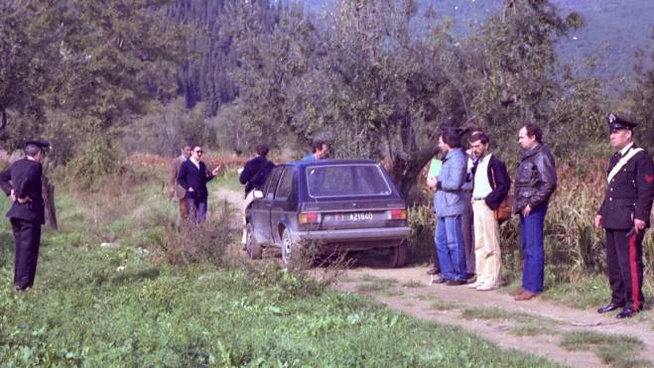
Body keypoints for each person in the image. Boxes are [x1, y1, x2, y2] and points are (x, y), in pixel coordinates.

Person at [594, 113, 654, 318]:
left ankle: (634, 302)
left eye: (616, 132)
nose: (612, 135)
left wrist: (641, 217)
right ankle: (617, 299)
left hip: (629, 219)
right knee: (614, 263)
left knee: (629, 262)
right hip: (612, 217)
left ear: (628, 134)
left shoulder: (641, 157)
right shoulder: (615, 158)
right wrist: (601, 212)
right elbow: (611, 190)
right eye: (611, 132)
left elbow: (646, 190)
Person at [511, 123, 557, 301]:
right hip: (525, 207)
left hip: (533, 208)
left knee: (534, 247)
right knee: (527, 246)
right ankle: (526, 285)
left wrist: (532, 203)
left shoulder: (542, 155)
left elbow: (549, 183)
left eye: (522, 137)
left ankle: (533, 287)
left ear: (533, 137)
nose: (519, 140)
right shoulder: (529, 155)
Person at [0, 140, 50, 291]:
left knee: (21, 250)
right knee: (29, 250)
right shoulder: (36, 166)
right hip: (29, 214)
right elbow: (28, 179)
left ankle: (18, 283)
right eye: (43, 154)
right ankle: (23, 286)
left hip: (16, 214)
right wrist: (20, 194)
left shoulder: (16, 164)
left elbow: (1, 176)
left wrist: (10, 191)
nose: (42, 157)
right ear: (39, 153)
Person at [467, 132, 511, 291]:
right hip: (477, 204)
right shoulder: (477, 163)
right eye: (472, 146)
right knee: (479, 243)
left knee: (490, 243)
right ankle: (482, 276)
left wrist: (490, 200)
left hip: (487, 205)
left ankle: (493, 278)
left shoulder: (495, 163)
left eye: (478, 146)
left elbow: (504, 185)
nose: (475, 149)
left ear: (486, 145)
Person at [428, 129, 468, 286]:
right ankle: (447, 273)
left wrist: (437, 183)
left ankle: (460, 275)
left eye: (440, 142)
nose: (439, 145)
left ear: (447, 143)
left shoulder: (457, 159)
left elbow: (456, 183)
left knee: (454, 242)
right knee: (440, 241)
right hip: (443, 207)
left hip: (452, 206)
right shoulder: (446, 159)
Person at [239, 144, 275, 244]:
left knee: (245, 211)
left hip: (253, 191)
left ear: (256, 152)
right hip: (267, 193)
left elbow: (242, 180)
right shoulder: (271, 165)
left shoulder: (250, 164)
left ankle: (245, 237)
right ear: (267, 153)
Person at [177, 146, 221, 224]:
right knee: (192, 218)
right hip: (191, 196)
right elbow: (180, 179)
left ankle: (202, 234)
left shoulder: (202, 165)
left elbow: (204, 179)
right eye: (198, 152)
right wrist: (188, 187)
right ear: (192, 152)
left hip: (202, 195)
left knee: (202, 218)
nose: (200, 154)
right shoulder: (185, 164)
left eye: (201, 152)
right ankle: (194, 235)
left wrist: (212, 175)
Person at [169, 144, 192, 221]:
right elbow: (172, 176)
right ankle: (185, 228)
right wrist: (172, 187)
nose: (189, 152)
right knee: (183, 210)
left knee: (193, 210)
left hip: (193, 189)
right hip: (182, 190)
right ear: (182, 150)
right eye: (187, 150)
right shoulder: (176, 161)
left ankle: (194, 229)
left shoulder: (193, 160)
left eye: (190, 150)